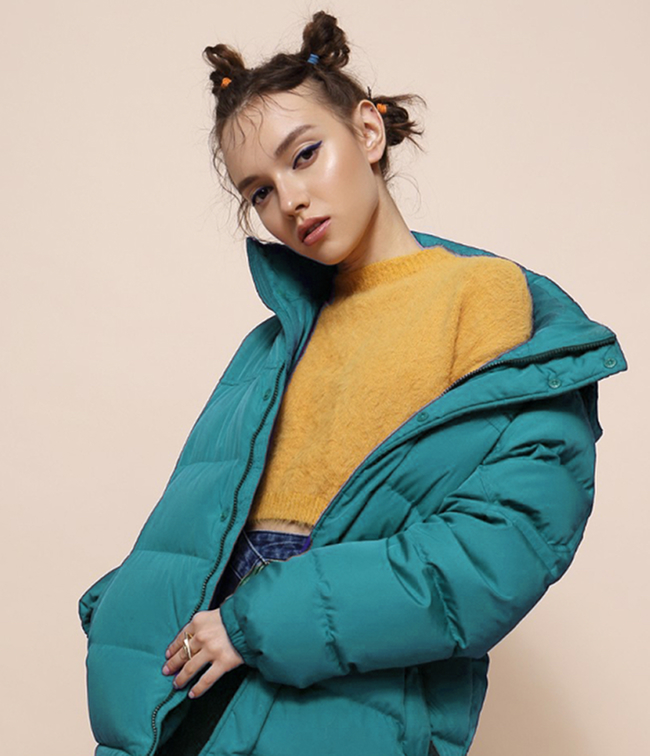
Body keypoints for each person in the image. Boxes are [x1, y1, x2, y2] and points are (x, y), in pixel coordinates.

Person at [79, 10, 627, 756]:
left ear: (368, 132)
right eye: (259, 191)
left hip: (340, 666)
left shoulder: (480, 294)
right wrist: (125, 609)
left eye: (304, 155)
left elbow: (497, 543)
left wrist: (259, 619)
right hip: (205, 667)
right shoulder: (273, 342)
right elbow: (205, 516)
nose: (289, 200)